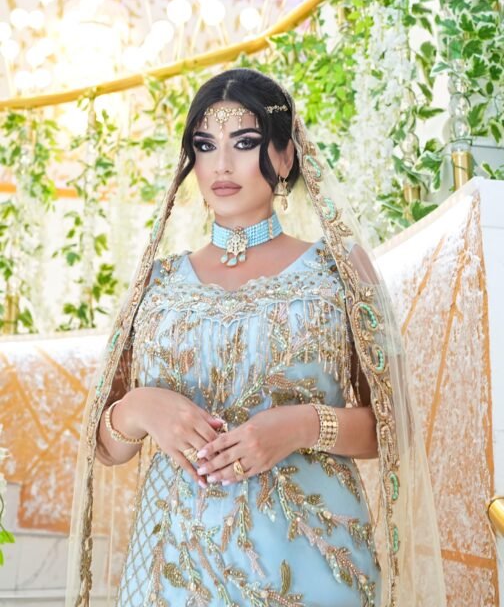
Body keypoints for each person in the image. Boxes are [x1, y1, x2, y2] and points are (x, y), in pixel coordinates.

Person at [65, 68, 446, 606]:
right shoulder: (158, 283)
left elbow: (393, 426)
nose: (221, 164)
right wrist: (140, 408)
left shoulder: (336, 272)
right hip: (172, 570)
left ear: (286, 156)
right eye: (205, 145)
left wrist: (301, 425)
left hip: (310, 560)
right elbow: (105, 449)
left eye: (244, 143)